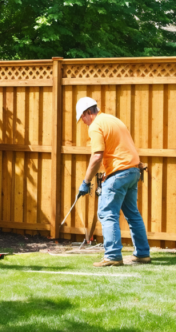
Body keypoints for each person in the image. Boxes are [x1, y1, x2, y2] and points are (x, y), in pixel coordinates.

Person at [75, 97, 151, 267]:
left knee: (107, 213)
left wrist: (86, 182)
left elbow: (97, 155)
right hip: (132, 171)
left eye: (83, 118)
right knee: (132, 214)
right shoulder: (113, 120)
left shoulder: (95, 126)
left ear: (88, 113)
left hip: (120, 172)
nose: (84, 123)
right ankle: (143, 254)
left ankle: (113, 255)